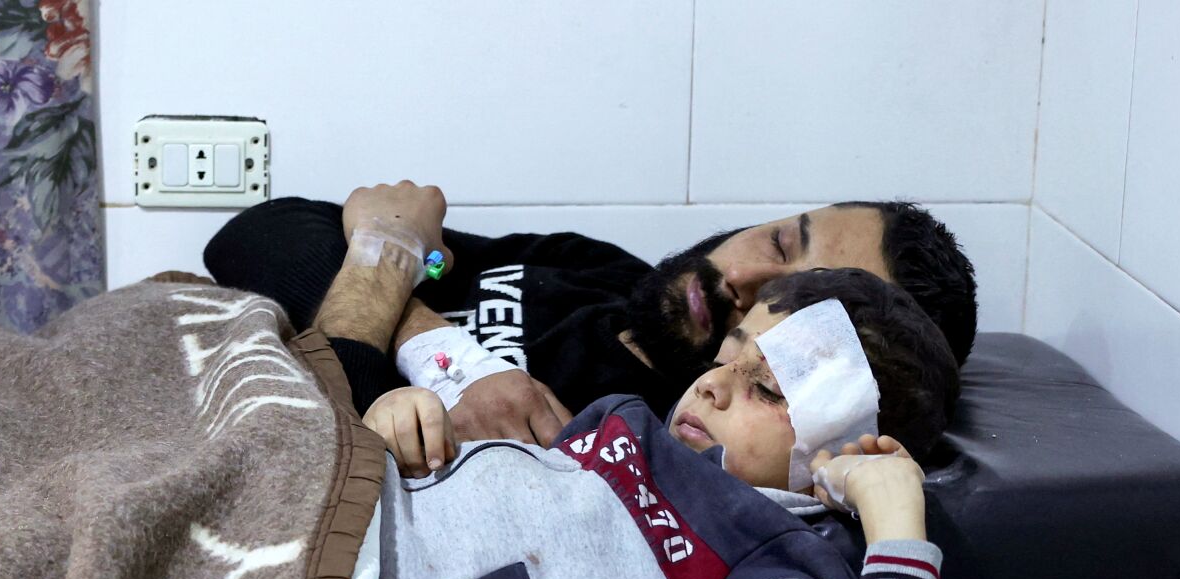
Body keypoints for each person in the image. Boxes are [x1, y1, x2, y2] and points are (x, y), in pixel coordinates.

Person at [349, 265, 960, 579]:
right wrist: (397, 415)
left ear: (848, 448)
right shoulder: (634, 428)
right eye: (725, 356)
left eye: (766, 388)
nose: (711, 384)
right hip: (347, 483)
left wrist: (893, 511)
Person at [205, 184, 977, 444]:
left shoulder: (658, 433)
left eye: (794, 299)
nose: (742, 274)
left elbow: (325, 423)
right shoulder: (606, 273)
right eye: (780, 238)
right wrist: (429, 333)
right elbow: (256, 235)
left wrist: (384, 256)